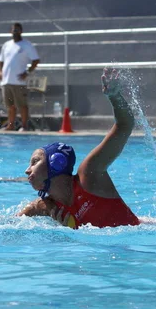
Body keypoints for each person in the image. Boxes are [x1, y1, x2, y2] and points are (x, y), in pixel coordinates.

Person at [18, 68, 140, 229]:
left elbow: (125, 126)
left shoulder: (89, 176)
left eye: (34, 162)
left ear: (57, 163)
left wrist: (115, 97)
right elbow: (0, 226)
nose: (27, 170)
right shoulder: (42, 208)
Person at [0, 23, 40, 131]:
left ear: (21, 31)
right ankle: (10, 125)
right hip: (6, 80)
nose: (15, 32)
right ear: (10, 32)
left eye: (17, 30)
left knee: (22, 105)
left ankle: (24, 126)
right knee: (10, 105)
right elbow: (1, 60)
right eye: (13, 30)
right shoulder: (6, 45)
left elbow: (36, 60)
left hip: (19, 81)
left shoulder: (27, 45)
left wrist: (27, 72)